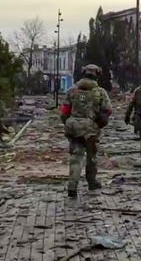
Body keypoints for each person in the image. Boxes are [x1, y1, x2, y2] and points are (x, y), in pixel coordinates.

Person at [60, 64, 111, 198]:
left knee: (76, 157)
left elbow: (64, 111)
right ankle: (92, 182)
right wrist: (99, 123)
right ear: (97, 76)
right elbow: (107, 111)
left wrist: (68, 123)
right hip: (90, 129)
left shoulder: (72, 91)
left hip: (73, 128)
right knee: (91, 157)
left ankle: (72, 186)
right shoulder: (100, 92)